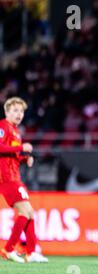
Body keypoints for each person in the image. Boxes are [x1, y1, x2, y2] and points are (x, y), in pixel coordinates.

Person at [0, 97, 48, 263]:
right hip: (6, 179)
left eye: (21, 111)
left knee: (29, 213)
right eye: (15, 110)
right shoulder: (3, 126)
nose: (19, 114)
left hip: (15, 177)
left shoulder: (15, 131)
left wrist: (22, 159)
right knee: (24, 212)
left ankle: (31, 252)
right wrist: (21, 148)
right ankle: (8, 249)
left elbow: (10, 156)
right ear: (7, 112)